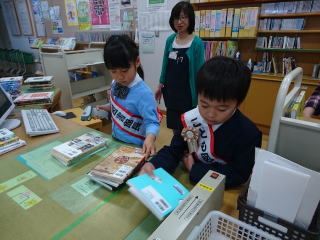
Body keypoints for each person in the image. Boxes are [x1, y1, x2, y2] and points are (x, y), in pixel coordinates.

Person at [139, 56, 262, 188]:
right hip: (187, 186)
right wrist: (154, 164)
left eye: (222, 109)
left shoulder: (249, 134)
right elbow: (175, 150)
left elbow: (239, 175)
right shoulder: (191, 118)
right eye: (204, 105)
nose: (210, 114)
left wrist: (194, 168)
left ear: (238, 103)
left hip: (223, 193)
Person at [95, 35, 160, 158]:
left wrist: (150, 138)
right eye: (113, 72)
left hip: (135, 148)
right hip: (115, 141)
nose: (119, 77)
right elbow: (120, 105)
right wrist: (107, 107)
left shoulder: (143, 93)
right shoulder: (115, 84)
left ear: (137, 62)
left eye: (124, 71)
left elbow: (152, 122)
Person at [155, 1, 205, 133]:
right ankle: (176, 151)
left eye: (183, 17)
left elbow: (200, 73)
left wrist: (201, 96)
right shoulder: (170, 40)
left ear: (190, 19)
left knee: (189, 130)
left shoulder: (197, 43)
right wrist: (160, 84)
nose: (179, 22)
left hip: (188, 95)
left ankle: (188, 153)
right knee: (175, 129)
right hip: (171, 93)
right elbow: (165, 64)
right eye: (176, 18)